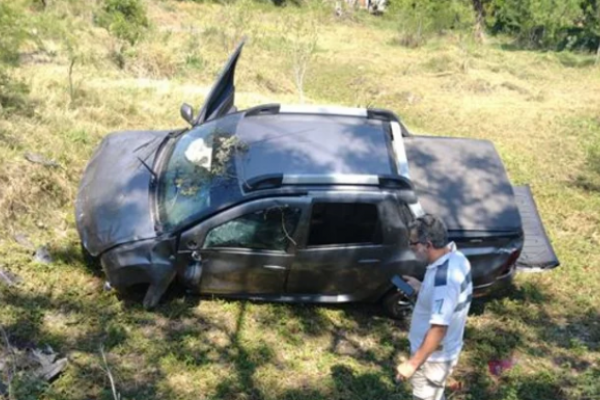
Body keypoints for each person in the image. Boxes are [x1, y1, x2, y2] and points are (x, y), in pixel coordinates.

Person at [395, 214, 473, 400]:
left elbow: (438, 328)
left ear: (427, 244)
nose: (411, 247)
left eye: (412, 243)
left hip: (433, 358)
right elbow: (447, 300)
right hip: (440, 353)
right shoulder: (456, 258)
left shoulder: (444, 281)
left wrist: (412, 364)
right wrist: (421, 288)